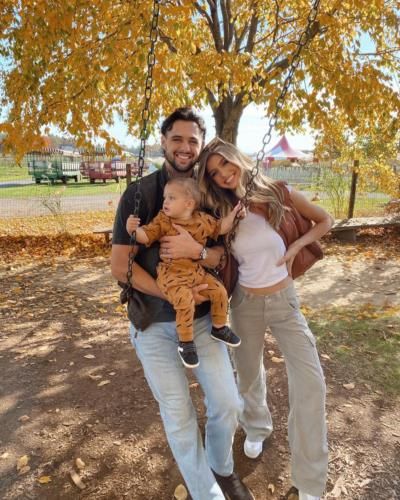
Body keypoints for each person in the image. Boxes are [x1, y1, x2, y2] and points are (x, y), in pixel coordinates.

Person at [111, 108, 254, 500]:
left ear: (200, 144)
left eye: (193, 140)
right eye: (177, 139)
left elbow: (223, 254)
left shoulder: (207, 195)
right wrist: (174, 294)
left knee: (228, 403)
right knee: (179, 416)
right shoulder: (139, 194)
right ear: (163, 141)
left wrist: (199, 254)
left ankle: (221, 469)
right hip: (153, 324)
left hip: (206, 323)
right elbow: (119, 264)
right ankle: (207, 493)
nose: (185, 148)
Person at [198, 137, 333, 500]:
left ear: (238, 159)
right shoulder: (220, 212)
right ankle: (256, 426)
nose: (224, 174)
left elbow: (325, 220)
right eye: (214, 173)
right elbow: (210, 252)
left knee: (311, 383)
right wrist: (223, 227)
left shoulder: (280, 193)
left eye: (226, 164)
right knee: (247, 370)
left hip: (284, 302)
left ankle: (309, 479)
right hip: (244, 304)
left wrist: (296, 247)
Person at [126, 176, 242, 368]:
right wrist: (133, 230)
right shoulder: (163, 221)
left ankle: (219, 327)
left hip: (196, 272)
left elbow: (221, 228)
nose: (165, 202)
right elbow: (146, 235)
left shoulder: (203, 220)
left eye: (171, 198)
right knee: (185, 300)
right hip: (171, 275)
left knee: (219, 291)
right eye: (165, 198)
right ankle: (186, 343)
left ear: (189, 204)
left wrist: (235, 214)